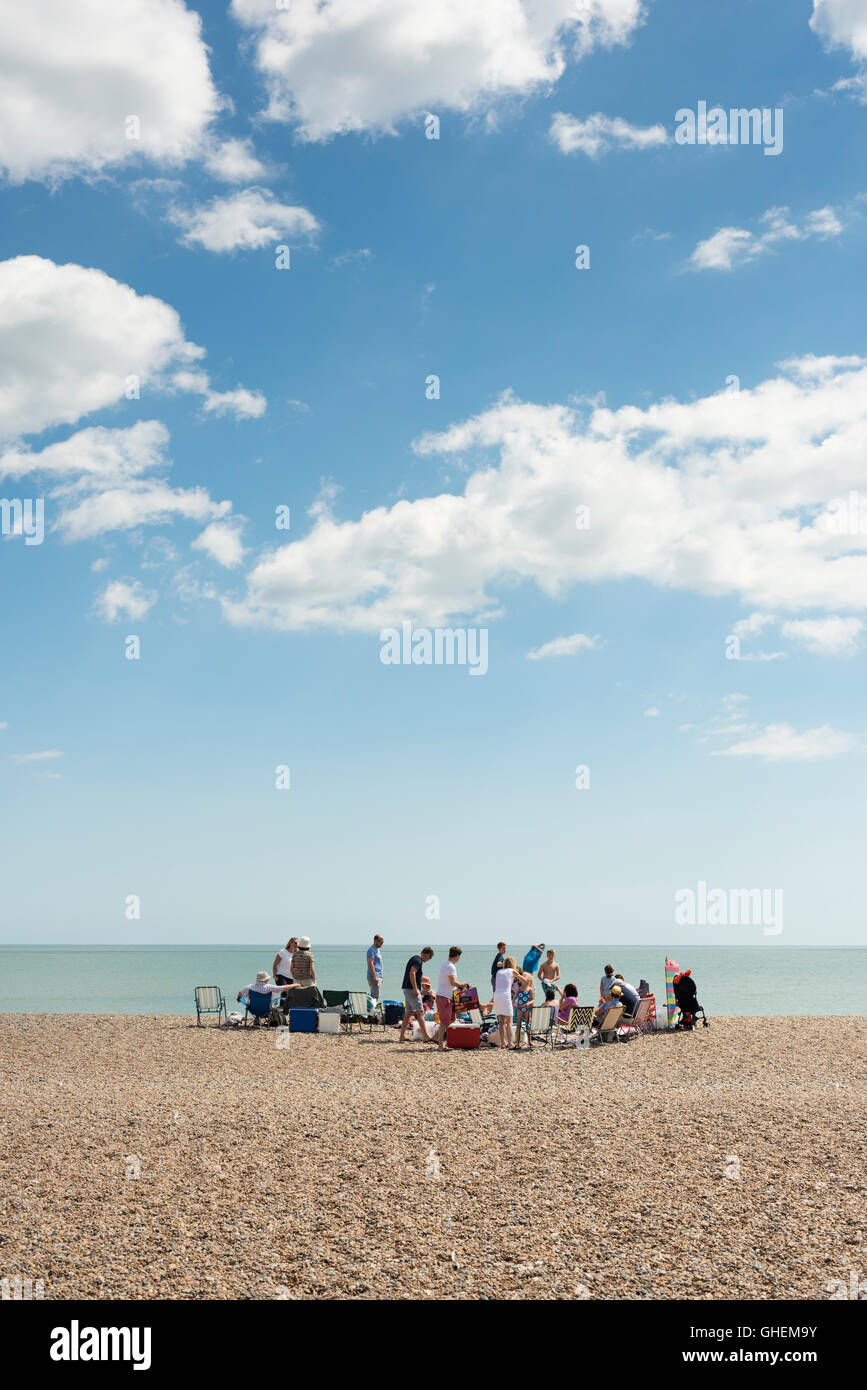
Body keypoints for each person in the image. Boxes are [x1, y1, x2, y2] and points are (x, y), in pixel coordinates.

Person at [399, 946, 435, 1042]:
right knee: (420, 1012)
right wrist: (415, 989)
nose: (427, 960)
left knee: (408, 1013)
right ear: (426, 954)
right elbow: (412, 973)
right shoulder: (418, 960)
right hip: (411, 989)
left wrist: (420, 984)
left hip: (407, 988)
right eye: (429, 958)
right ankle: (426, 1036)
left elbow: (414, 975)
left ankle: (402, 1035)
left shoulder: (415, 959)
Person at [435, 946, 468, 1051]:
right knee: (444, 1022)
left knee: (450, 1020)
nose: (459, 959)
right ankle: (440, 1045)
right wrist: (462, 984)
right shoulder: (450, 966)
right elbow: (453, 982)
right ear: (457, 955)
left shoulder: (446, 964)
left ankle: (443, 1040)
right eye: (459, 956)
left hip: (447, 996)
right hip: (444, 997)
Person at [492, 955, 520, 1049]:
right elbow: (520, 978)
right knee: (509, 1022)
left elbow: (497, 985)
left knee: (501, 1021)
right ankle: (510, 1044)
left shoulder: (499, 971)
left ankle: (503, 1043)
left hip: (497, 995)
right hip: (505, 996)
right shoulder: (512, 971)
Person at [513, 968, 535, 1050]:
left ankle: (529, 1041)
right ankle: (517, 1043)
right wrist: (513, 1003)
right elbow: (515, 997)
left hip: (527, 1008)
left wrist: (529, 1003)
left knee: (527, 1024)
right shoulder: (519, 988)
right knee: (518, 1025)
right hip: (519, 1008)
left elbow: (533, 999)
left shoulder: (530, 989)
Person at [366, 934, 384, 1000]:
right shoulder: (371, 950)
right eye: (381, 942)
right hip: (373, 976)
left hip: (378, 976)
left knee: (376, 995)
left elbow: (379, 964)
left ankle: (372, 1009)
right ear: (375, 941)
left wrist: (381, 977)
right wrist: (375, 976)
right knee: (374, 996)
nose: (382, 944)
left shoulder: (377, 950)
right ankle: (371, 1010)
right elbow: (370, 963)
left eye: (382, 942)